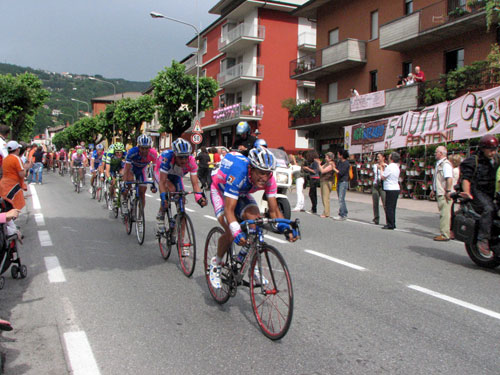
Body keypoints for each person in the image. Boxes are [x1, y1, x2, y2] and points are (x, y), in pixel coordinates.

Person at [208, 147, 298, 289]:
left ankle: (252, 265)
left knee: (256, 221)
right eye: (261, 173)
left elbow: (274, 210)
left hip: (242, 192)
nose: (264, 177)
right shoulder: (239, 172)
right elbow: (229, 210)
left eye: (268, 173)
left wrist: (285, 228)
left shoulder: (269, 179)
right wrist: (236, 230)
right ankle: (216, 263)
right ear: (251, 168)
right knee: (231, 232)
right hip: (220, 190)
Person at [156, 138, 207, 235]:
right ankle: (160, 215)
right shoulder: (167, 158)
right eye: (180, 157)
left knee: (182, 202)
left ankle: (183, 244)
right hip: (161, 174)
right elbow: (162, 182)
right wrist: (163, 197)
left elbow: (195, 184)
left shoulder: (191, 161)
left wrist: (199, 198)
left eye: (185, 157)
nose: (184, 160)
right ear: (175, 155)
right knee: (171, 190)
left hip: (176, 176)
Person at [460, 134, 499, 256]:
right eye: (491, 150)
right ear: (483, 148)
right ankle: (483, 239)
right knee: (489, 209)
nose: (493, 152)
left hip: (491, 191)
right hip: (478, 191)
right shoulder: (473, 160)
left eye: (495, 149)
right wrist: (466, 192)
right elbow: (466, 179)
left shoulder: (495, 160)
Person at [122, 134, 158, 214]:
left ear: (150, 147)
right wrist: (124, 182)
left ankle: (140, 215)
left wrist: (153, 183)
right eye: (142, 148)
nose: (144, 151)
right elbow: (126, 168)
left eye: (147, 148)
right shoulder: (132, 152)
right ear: (138, 147)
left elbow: (155, 170)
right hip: (131, 168)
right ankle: (124, 200)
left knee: (142, 191)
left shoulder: (153, 153)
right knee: (129, 183)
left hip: (142, 169)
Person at [429, 146, 453, 241]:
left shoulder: (445, 164)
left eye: (436, 152)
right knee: (443, 212)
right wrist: (433, 190)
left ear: (441, 153)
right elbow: (437, 179)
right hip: (439, 191)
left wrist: (448, 191)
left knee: (445, 213)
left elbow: (449, 178)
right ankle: (445, 232)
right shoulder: (439, 164)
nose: (435, 154)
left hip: (443, 192)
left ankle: (445, 234)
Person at [0, 141, 28, 212]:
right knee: (12, 207)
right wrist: (26, 168)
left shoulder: (5, 159)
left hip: (4, 185)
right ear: (17, 149)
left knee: (7, 205)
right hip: (12, 185)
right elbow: (21, 174)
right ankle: (9, 222)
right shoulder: (16, 158)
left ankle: (9, 222)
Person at [380, 152, 401, 230]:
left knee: (389, 206)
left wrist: (381, 169)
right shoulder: (396, 167)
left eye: (389, 157)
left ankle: (390, 223)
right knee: (393, 206)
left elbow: (383, 177)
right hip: (395, 187)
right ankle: (392, 222)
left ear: (391, 158)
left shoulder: (390, 167)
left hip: (390, 188)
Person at [315, 152, 335, 218]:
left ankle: (326, 213)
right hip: (323, 180)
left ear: (330, 158)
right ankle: (325, 211)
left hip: (327, 181)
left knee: (325, 197)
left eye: (326, 157)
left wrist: (319, 164)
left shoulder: (331, 164)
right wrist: (319, 164)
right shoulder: (326, 163)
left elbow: (323, 171)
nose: (325, 158)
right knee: (323, 197)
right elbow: (319, 169)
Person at [332, 150, 350, 220]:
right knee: (340, 197)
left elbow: (341, 172)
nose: (338, 155)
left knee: (341, 198)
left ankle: (343, 214)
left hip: (343, 181)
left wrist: (334, 169)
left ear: (341, 155)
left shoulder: (346, 163)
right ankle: (343, 212)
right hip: (339, 181)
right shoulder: (339, 162)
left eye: (338, 154)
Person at [302, 150, 320, 214]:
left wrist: (308, 169)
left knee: (312, 194)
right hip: (312, 178)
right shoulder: (313, 162)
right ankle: (313, 208)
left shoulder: (315, 162)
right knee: (312, 193)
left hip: (314, 178)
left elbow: (315, 171)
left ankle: (314, 208)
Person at [372, 153, 387, 225]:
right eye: (377, 157)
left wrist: (382, 168)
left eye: (379, 157)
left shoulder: (386, 166)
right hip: (375, 185)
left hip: (382, 185)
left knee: (385, 203)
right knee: (375, 202)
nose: (377, 158)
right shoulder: (375, 166)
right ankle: (376, 218)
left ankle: (388, 219)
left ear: (383, 158)